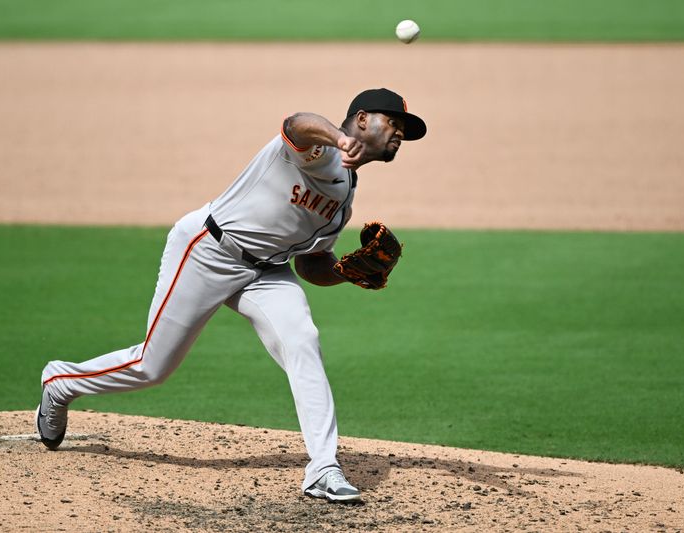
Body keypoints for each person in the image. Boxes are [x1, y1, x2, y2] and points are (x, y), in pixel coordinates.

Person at [36, 88, 427, 503]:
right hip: (208, 251)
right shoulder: (318, 151)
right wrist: (336, 136)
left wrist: (347, 273)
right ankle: (60, 382)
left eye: (404, 128)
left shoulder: (344, 200)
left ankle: (324, 468)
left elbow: (310, 264)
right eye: (394, 122)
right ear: (362, 119)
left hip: (266, 271)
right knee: (153, 367)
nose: (399, 133)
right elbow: (296, 123)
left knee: (302, 340)